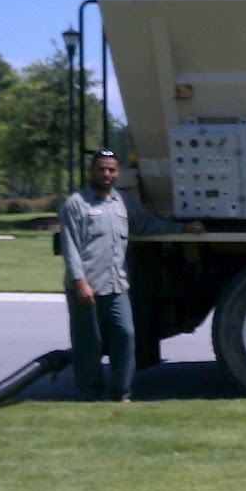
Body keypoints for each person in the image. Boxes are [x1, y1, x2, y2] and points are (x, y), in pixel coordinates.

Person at [60, 149, 205, 402]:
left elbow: (149, 224)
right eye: (101, 168)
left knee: (125, 336)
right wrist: (80, 282)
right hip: (88, 288)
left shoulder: (122, 202)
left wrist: (183, 228)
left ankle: (121, 393)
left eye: (112, 169)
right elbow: (70, 247)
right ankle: (89, 394)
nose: (107, 174)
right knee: (89, 345)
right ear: (91, 171)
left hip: (117, 287)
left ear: (117, 173)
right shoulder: (76, 204)